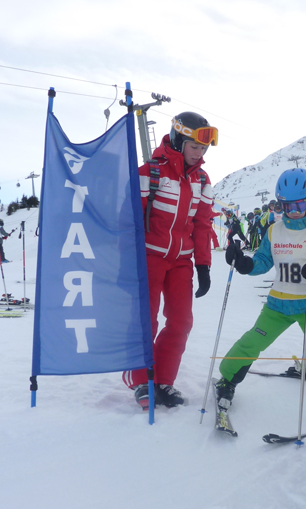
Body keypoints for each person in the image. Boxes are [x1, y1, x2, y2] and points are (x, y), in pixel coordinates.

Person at [214, 168, 306, 432]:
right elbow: (263, 261)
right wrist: (245, 264)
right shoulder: (274, 230)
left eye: (300, 205)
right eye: (287, 206)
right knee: (251, 342)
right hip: (278, 306)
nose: (294, 211)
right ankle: (226, 380)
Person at [122, 111, 217, 409]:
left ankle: (164, 380)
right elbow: (129, 220)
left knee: (181, 321)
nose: (199, 154)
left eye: (203, 148)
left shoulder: (202, 180)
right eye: (194, 147)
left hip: (181, 263)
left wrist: (203, 265)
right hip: (149, 258)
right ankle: (142, 380)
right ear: (178, 140)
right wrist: (126, 261)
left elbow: (202, 225)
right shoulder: (149, 173)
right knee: (145, 321)